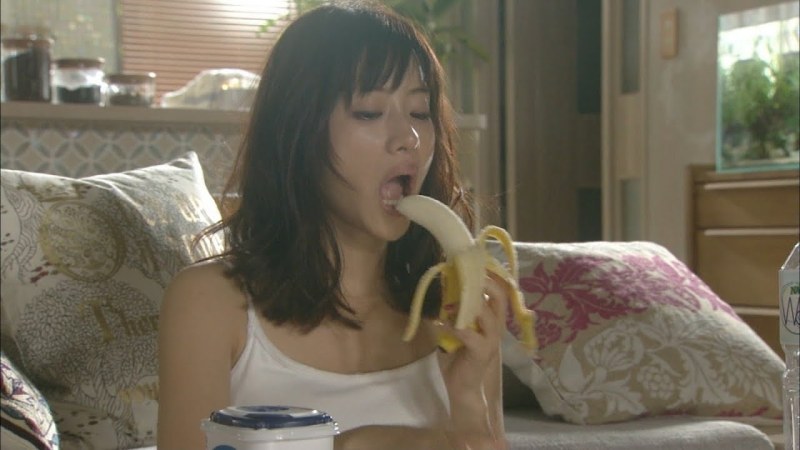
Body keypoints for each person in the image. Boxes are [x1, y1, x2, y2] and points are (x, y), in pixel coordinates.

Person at [157, 1, 512, 448]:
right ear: (298, 132)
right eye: (369, 111)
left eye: (420, 112)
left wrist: (468, 399)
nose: (409, 138)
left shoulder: (454, 312)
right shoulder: (210, 303)